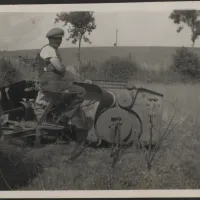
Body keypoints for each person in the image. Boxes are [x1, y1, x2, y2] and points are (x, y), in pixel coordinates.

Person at [37, 27, 87, 129]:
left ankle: (59, 116)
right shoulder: (49, 50)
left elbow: (59, 69)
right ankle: (64, 118)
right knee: (82, 92)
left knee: (71, 89)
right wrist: (64, 70)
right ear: (50, 39)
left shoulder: (52, 50)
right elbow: (59, 68)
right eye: (55, 39)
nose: (58, 41)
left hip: (52, 82)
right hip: (52, 83)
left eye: (60, 39)